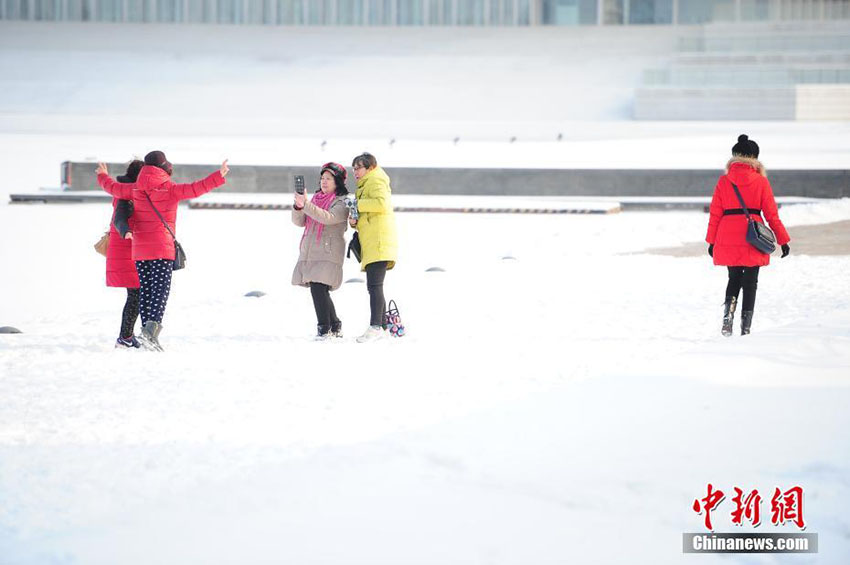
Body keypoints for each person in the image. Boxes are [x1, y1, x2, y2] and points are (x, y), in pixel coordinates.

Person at [96, 151, 229, 350]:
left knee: (146, 292)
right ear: (163, 167)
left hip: (140, 251)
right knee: (159, 292)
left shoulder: (134, 189)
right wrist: (218, 176)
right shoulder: (170, 189)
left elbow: (112, 188)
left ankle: (145, 333)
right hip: (161, 249)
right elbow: (196, 188)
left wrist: (102, 175)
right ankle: (150, 334)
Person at [706, 134, 790, 336]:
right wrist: (783, 240)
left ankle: (728, 317)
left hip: (727, 234)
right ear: (755, 157)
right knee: (750, 282)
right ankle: (746, 327)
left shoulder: (724, 181)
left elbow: (715, 213)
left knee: (733, 278)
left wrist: (711, 241)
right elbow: (771, 215)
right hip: (753, 235)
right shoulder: (761, 181)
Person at [291, 162, 350, 339]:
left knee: (318, 288)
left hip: (329, 251)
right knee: (319, 289)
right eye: (322, 178)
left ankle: (324, 328)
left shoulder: (342, 201)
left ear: (337, 181)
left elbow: (328, 218)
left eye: (328, 178)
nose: (324, 181)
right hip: (311, 249)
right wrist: (299, 206)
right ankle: (334, 325)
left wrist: (306, 204)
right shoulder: (316, 199)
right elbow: (299, 222)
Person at [348, 152, 398, 343]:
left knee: (374, 286)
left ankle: (375, 326)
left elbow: (381, 203)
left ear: (370, 167)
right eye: (353, 168)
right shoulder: (365, 184)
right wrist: (354, 221)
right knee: (375, 286)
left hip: (379, 241)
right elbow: (369, 214)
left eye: (358, 168)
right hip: (372, 242)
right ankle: (383, 327)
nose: (355, 172)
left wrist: (357, 204)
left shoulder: (376, 179)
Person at [107, 159, 144, 348]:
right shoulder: (128, 193)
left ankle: (127, 335)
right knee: (136, 294)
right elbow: (120, 217)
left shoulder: (124, 190)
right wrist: (126, 231)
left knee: (136, 294)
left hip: (128, 248)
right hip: (128, 249)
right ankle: (125, 337)